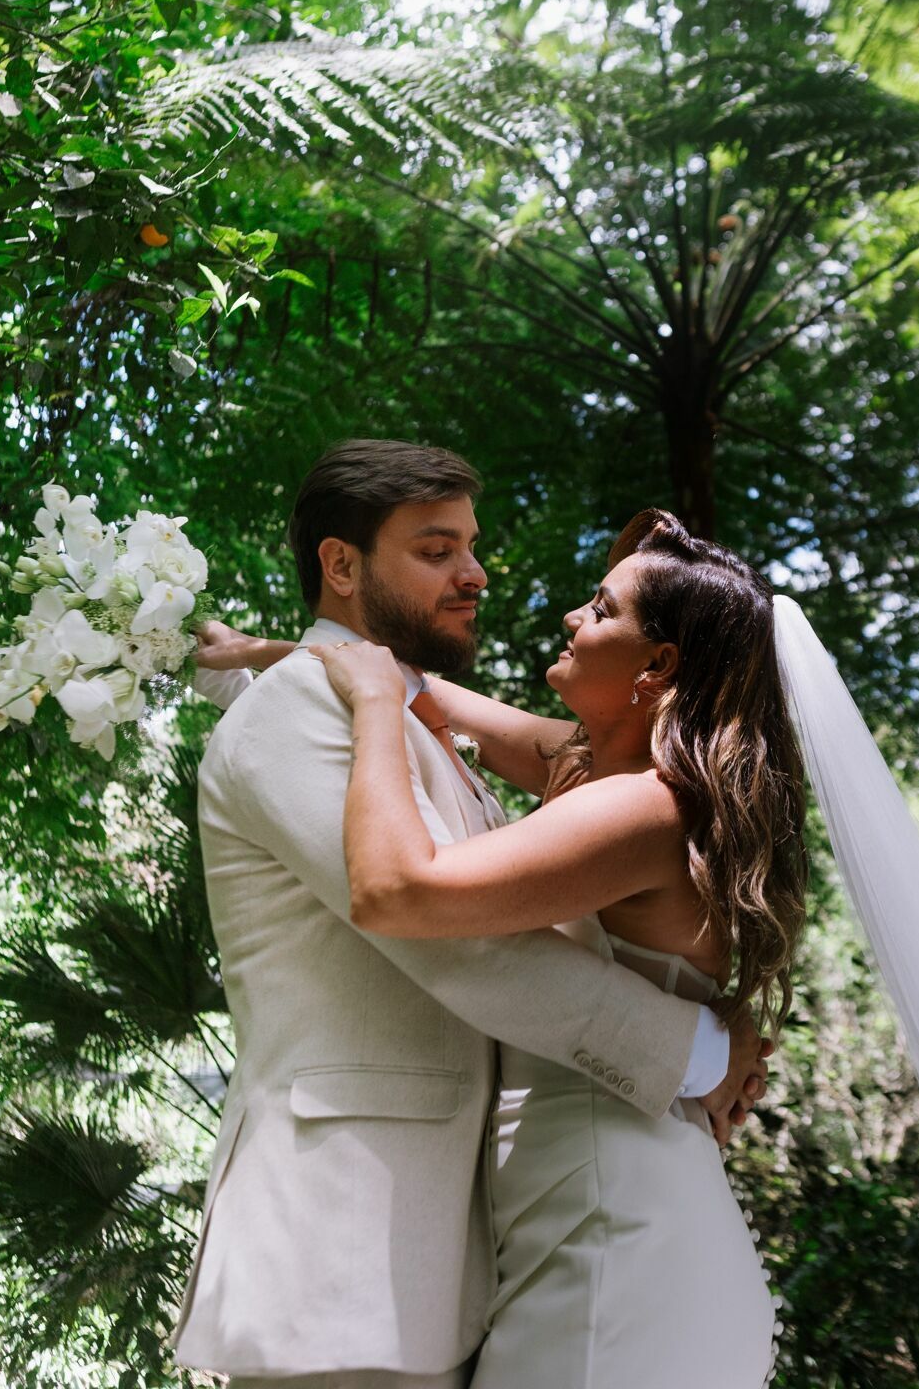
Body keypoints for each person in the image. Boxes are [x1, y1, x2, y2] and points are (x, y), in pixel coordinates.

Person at [170, 439, 770, 1389]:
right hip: (343, 1258)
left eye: (471, 546)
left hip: (519, 1238)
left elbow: (445, 876)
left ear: (658, 665)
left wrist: (358, 683)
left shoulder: (623, 790)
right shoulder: (310, 709)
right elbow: (464, 947)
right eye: (437, 549)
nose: (477, 573)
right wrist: (699, 1048)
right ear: (341, 565)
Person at [306, 506, 798, 1389]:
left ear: (656, 666)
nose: (574, 617)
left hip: (618, 1244)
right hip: (598, 1216)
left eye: (601, 611)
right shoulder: (586, 766)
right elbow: (420, 689)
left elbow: (394, 890)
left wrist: (375, 709)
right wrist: (254, 654)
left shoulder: (644, 810)